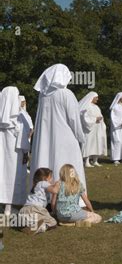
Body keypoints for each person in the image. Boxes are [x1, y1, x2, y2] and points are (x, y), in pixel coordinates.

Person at [30, 64, 87, 197]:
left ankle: (47, 198)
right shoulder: (66, 94)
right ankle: (70, 197)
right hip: (65, 139)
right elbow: (74, 119)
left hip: (45, 139)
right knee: (67, 166)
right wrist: (81, 137)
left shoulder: (43, 96)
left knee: (46, 161)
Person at [0, 86, 30, 216]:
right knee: (11, 178)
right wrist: (25, 153)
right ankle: (8, 207)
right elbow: (23, 138)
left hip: (3, 155)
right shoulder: (19, 117)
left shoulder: (2, 117)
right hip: (14, 155)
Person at [19, 168, 59, 234]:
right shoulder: (43, 183)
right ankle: (41, 227)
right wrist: (57, 184)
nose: (51, 180)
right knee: (53, 222)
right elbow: (54, 190)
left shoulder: (35, 187)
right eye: (50, 177)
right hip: (34, 209)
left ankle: (27, 225)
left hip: (23, 211)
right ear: (45, 178)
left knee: (40, 218)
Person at [78, 92, 107, 168]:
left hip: (97, 129)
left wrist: (100, 119)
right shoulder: (86, 106)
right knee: (88, 144)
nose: (97, 99)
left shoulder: (96, 107)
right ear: (92, 97)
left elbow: (100, 116)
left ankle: (95, 160)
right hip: (89, 130)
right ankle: (86, 161)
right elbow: (84, 118)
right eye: (96, 97)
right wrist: (95, 119)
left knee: (97, 144)